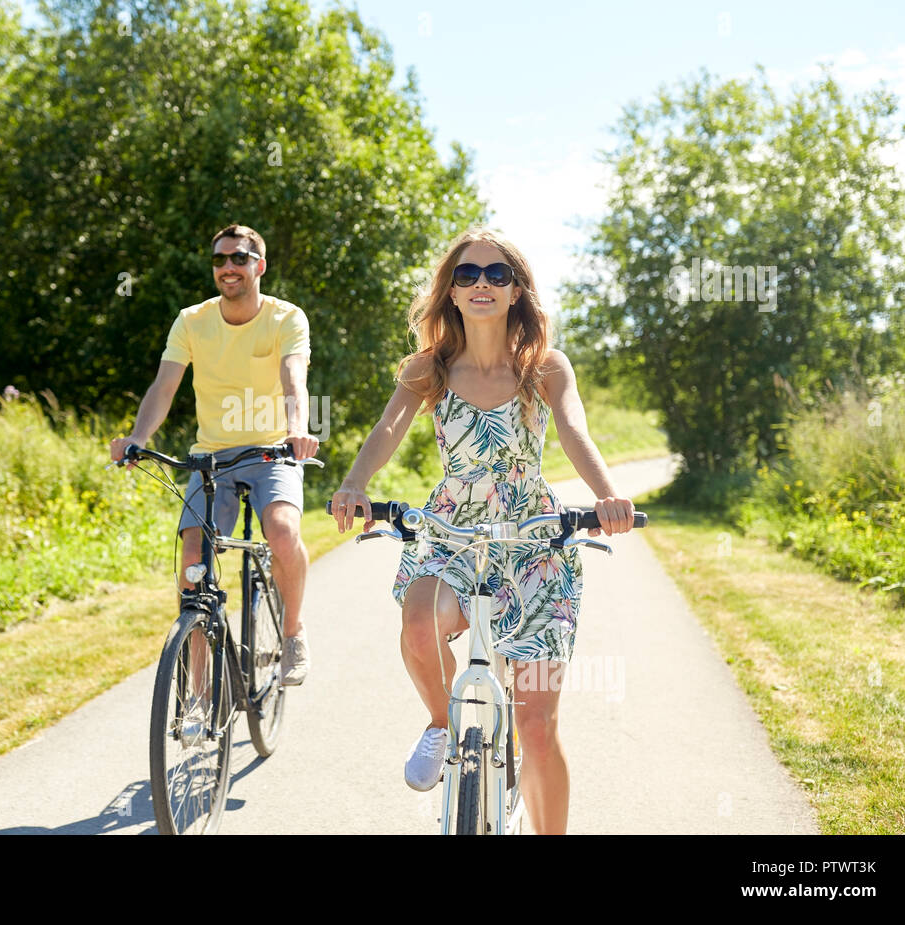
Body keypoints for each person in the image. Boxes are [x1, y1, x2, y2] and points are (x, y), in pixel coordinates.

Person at [329, 226, 635, 835]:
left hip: (535, 543)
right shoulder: (429, 367)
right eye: (467, 275)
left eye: (497, 274)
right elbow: (387, 431)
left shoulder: (544, 366)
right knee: (419, 618)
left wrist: (606, 496)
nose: (482, 285)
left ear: (517, 289)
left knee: (537, 727)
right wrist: (354, 484)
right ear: (451, 290)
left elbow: (574, 432)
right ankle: (443, 726)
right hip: (453, 533)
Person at [109, 224, 319, 685]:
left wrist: (297, 431)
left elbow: (293, 380)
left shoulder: (286, 318)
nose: (228, 267)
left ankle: (292, 632)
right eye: (220, 260)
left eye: (239, 258)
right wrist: (138, 437)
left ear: (259, 266)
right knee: (192, 563)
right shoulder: (192, 320)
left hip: (271, 451)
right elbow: (164, 386)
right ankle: (198, 687)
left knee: (282, 532)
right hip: (212, 456)